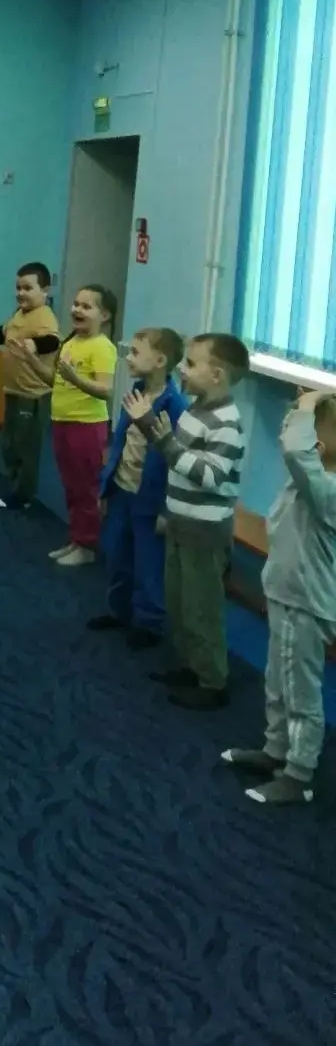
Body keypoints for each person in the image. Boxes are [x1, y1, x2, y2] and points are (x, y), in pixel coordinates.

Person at [221, 391, 336, 805]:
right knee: (278, 680)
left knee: (300, 692)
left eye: (303, 425)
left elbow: (295, 451)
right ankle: (276, 751)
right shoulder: (305, 483)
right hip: (287, 595)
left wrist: (306, 408)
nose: (289, 430)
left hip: (307, 605)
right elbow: (284, 538)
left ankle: (298, 774)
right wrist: (272, 590)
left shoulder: (327, 490)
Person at [137, 332, 248, 711]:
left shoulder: (227, 423)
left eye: (191, 363)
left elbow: (210, 475)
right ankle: (191, 666)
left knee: (202, 610)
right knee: (180, 603)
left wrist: (166, 443)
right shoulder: (196, 410)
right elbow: (179, 466)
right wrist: (169, 512)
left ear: (217, 375)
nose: (182, 369)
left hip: (205, 533)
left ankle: (212, 682)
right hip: (181, 523)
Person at [87, 327, 186, 645]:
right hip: (122, 490)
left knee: (148, 563)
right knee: (117, 554)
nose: (128, 357)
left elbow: (174, 463)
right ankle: (120, 611)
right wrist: (107, 486)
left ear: (159, 361)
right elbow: (120, 442)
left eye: (135, 352)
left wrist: (166, 510)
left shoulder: (175, 405)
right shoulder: (137, 392)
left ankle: (149, 623)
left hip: (150, 498)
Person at [0, 262, 60, 510]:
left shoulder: (45, 316)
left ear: (45, 290)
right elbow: (2, 333)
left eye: (28, 288)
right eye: (18, 288)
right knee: (9, 443)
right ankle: (16, 483)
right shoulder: (20, 315)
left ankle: (23, 495)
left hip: (33, 394)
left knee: (26, 446)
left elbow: (52, 340)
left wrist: (35, 345)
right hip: (14, 391)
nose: (21, 293)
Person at [49, 285, 118, 567]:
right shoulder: (71, 342)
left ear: (105, 316)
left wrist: (75, 379)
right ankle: (77, 539)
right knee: (71, 485)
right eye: (76, 304)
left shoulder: (102, 346)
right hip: (62, 421)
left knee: (86, 487)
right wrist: (29, 361)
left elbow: (106, 390)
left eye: (86, 307)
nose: (77, 309)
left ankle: (87, 546)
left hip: (86, 426)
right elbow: (56, 381)